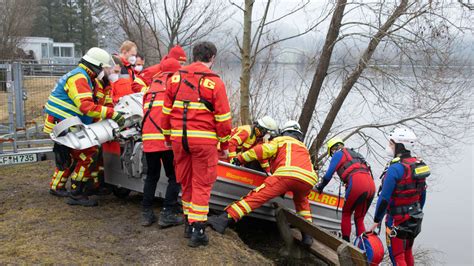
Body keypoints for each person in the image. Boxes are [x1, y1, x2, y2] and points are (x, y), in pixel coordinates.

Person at [161, 41, 232, 247]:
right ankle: (198, 231)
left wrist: (168, 138)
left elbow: (166, 113)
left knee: (186, 181)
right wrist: (225, 144)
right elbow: (223, 119)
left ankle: (188, 223)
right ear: (212, 58)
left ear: (194, 56)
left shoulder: (175, 78)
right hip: (203, 141)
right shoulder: (215, 82)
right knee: (202, 183)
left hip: (178, 140)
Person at [208, 121, 317, 246]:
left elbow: (261, 151)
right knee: (303, 206)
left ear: (284, 132)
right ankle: (308, 237)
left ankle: (222, 220)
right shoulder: (303, 148)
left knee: (256, 197)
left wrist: (240, 159)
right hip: (308, 180)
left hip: (287, 175)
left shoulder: (281, 140)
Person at [44, 47, 125, 206]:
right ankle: (77, 192)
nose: (104, 71)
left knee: (71, 155)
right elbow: (86, 106)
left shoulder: (83, 76)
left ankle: (59, 186)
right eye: (103, 68)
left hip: (63, 121)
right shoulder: (80, 78)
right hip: (64, 122)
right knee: (88, 153)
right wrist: (111, 114)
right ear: (96, 66)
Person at [368, 127, 429, 266]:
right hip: (415, 218)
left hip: (397, 220)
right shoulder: (418, 165)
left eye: (391, 143)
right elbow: (422, 194)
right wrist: (416, 211)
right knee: (408, 252)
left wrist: (377, 220)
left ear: (399, 145)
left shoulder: (395, 168)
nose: (389, 146)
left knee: (398, 256)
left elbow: (384, 198)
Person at [141, 58, 184, 227]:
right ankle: (168, 212)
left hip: (148, 140)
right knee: (175, 176)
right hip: (165, 141)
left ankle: (146, 213)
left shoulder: (150, 87)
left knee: (152, 176)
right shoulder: (173, 87)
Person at [316, 137, 376, 242]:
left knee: (346, 213)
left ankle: (346, 243)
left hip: (357, 185)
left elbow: (328, 175)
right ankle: (362, 246)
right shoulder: (357, 155)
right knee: (359, 218)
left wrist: (320, 187)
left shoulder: (338, 154)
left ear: (333, 149)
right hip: (371, 186)